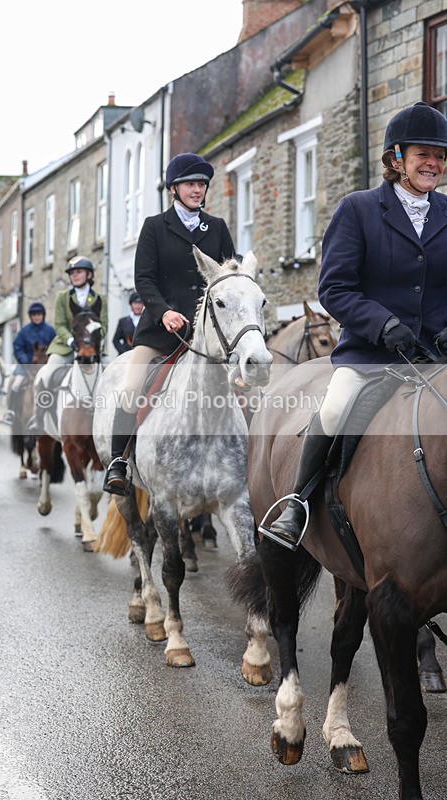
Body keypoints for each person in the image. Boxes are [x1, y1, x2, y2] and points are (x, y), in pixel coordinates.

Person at [262, 100, 447, 550]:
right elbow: (335, 288)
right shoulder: (358, 209)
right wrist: (382, 325)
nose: (434, 163)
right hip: (371, 354)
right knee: (333, 408)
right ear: (396, 159)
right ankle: (297, 504)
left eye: (440, 156)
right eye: (423, 154)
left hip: (437, 355)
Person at [104, 152, 236, 496]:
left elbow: (228, 275)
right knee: (132, 387)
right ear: (174, 189)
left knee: (242, 389)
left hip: (207, 334)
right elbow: (143, 279)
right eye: (190, 184)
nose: (197, 190)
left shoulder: (217, 228)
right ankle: (119, 461)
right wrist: (163, 312)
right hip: (159, 331)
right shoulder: (154, 226)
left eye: (202, 184)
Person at [26, 256, 107, 433]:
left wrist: (93, 343)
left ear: (89, 274)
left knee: (110, 375)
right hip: (65, 347)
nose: (74, 275)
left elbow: (104, 326)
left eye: (78, 272)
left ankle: (110, 420)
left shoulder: (100, 298)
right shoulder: (62, 297)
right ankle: (38, 419)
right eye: (72, 273)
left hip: (92, 348)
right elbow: (59, 324)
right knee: (46, 374)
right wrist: (71, 341)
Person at [1, 302, 56, 425]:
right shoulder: (24, 331)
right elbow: (17, 347)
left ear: (43, 315)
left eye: (39, 314)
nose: (37, 317)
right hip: (26, 366)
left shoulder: (50, 331)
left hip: (45, 366)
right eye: (34, 315)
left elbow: (55, 346)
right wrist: (25, 360)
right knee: (15, 384)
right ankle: (11, 411)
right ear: (30, 316)